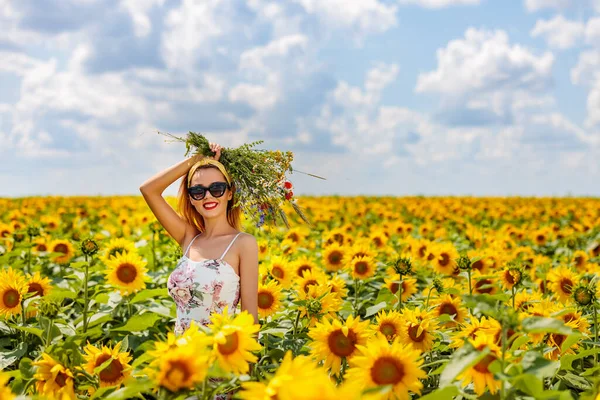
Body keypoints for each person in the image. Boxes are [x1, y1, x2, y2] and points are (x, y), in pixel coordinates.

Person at [139, 142, 259, 337]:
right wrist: (196, 160)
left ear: (230, 193)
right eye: (198, 191)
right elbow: (148, 190)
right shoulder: (189, 238)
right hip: (182, 359)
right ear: (191, 199)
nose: (208, 196)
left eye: (217, 188)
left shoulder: (242, 243)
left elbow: (250, 320)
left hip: (217, 358)